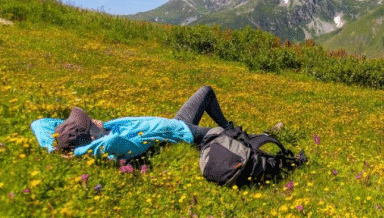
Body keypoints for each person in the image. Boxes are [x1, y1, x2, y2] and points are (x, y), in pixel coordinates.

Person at [31, 85, 235, 160]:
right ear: (92, 138)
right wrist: (75, 152)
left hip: (174, 122)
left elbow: (39, 124)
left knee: (206, 91)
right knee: (234, 139)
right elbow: (107, 144)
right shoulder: (120, 143)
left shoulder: (108, 128)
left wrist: (55, 146)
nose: (92, 118)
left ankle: (228, 126)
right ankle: (238, 135)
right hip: (183, 133)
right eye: (89, 123)